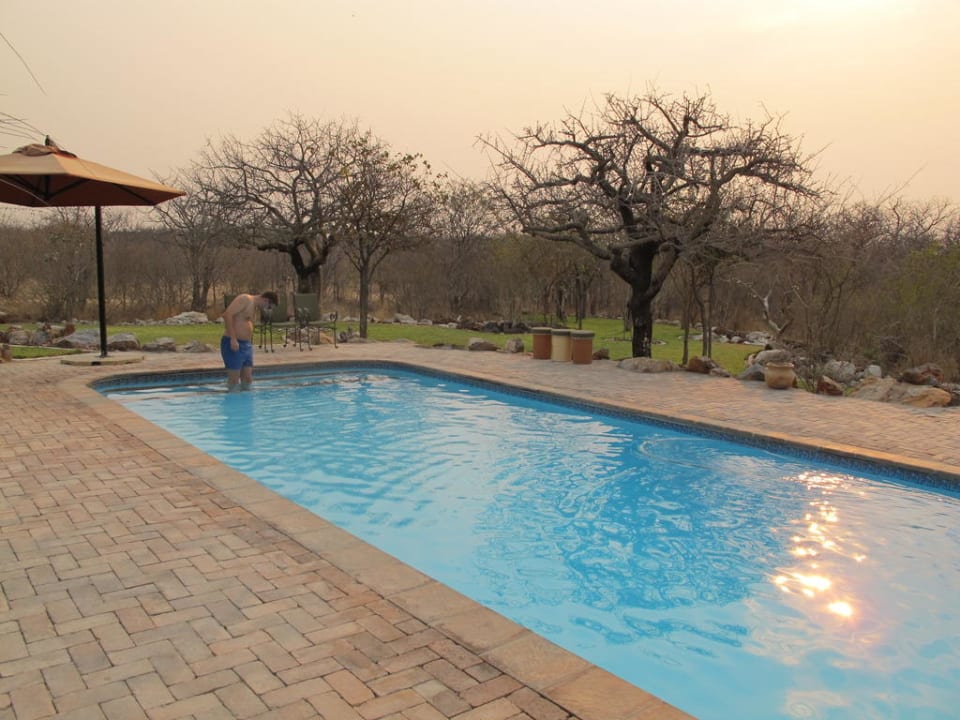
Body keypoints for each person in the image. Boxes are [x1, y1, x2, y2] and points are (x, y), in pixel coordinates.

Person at [221, 291, 279, 391]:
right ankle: (232, 399)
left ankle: (246, 401)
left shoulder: (254, 307)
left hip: (246, 345)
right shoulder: (245, 299)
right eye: (269, 307)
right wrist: (233, 339)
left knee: (247, 380)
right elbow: (227, 314)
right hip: (234, 343)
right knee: (234, 380)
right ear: (266, 300)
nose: (267, 309)